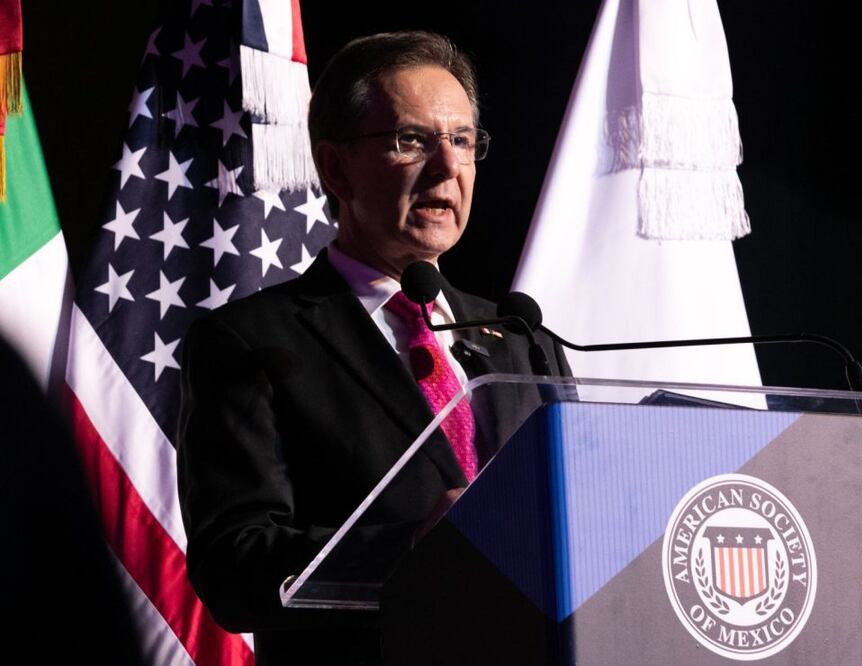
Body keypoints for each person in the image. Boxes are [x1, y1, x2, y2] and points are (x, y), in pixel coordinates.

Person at [177, 31, 570, 665]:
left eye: (463, 141)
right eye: (411, 141)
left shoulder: (522, 341)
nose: (447, 167)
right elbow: (234, 565)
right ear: (335, 167)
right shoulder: (250, 341)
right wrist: (410, 546)